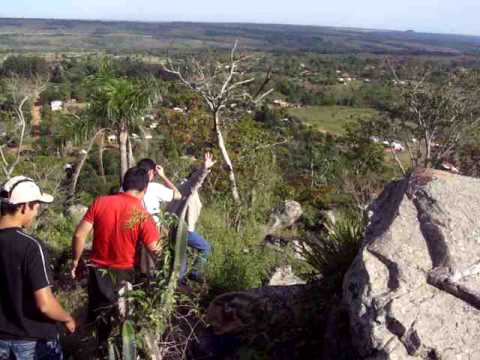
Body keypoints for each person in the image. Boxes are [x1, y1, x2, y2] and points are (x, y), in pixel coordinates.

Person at [70, 167, 161, 349]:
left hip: (97, 270)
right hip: (123, 275)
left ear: (123, 184)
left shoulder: (100, 202)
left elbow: (80, 235)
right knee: (122, 320)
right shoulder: (142, 215)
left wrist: (75, 261)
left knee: (99, 315)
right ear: (145, 188)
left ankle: (95, 346)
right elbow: (156, 250)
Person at [0, 176, 76, 360]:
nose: (36, 212)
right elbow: (45, 304)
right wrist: (67, 318)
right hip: (32, 342)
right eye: (36, 206)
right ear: (24, 206)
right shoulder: (31, 247)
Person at [167, 153, 215, 282]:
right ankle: (195, 272)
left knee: (180, 262)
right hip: (183, 230)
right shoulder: (189, 187)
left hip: (174, 228)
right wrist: (204, 169)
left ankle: (177, 287)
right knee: (206, 248)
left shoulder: (179, 188)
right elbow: (197, 180)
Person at [136, 158, 182, 224]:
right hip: (151, 229)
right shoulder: (154, 188)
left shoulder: (125, 186)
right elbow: (178, 195)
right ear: (150, 172)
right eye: (154, 174)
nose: (154, 176)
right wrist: (163, 176)